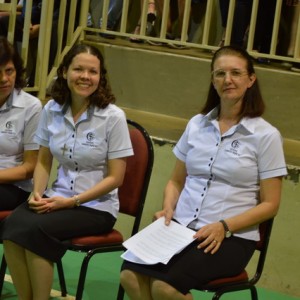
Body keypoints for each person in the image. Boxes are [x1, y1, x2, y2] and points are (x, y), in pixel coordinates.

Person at [120, 45, 287, 300]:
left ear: (251, 79)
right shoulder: (197, 124)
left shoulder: (266, 135)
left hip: (231, 237)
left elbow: (271, 205)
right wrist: (168, 208)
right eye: (220, 74)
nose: (227, 80)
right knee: (130, 276)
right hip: (181, 228)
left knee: (164, 287)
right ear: (212, 79)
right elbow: (175, 181)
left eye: (236, 73)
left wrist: (224, 226)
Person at [0, 43, 133, 299]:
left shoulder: (113, 117)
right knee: (12, 226)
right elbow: (43, 161)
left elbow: (116, 178)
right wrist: (36, 193)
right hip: (56, 197)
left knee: (35, 230)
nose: (85, 76)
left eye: (92, 71)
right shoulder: (52, 109)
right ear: (64, 72)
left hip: (95, 207)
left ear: (100, 77)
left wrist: (71, 202)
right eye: (78, 69)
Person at [0, 36, 42, 211]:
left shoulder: (31, 106)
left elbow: (30, 167)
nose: (4, 79)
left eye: (9, 71)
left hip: (14, 187)